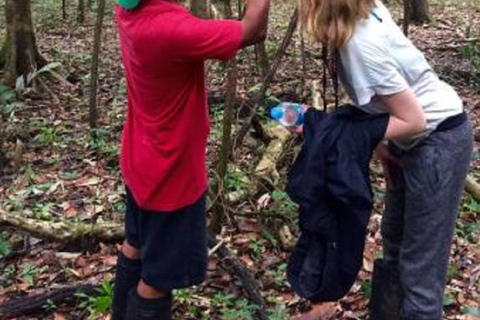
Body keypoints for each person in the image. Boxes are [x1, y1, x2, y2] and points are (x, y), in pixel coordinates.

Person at [295, 0, 473, 320]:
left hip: (437, 141)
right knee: (394, 245)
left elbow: (415, 120)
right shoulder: (362, 13)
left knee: (420, 270)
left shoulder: (360, 45)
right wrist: (379, 145)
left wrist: (345, 134)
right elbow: (382, 102)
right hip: (408, 142)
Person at [111, 0, 270, 319]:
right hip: (171, 177)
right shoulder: (170, 30)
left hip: (140, 161)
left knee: (136, 246)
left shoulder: (128, 11)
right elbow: (254, 30)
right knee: (157, 280)